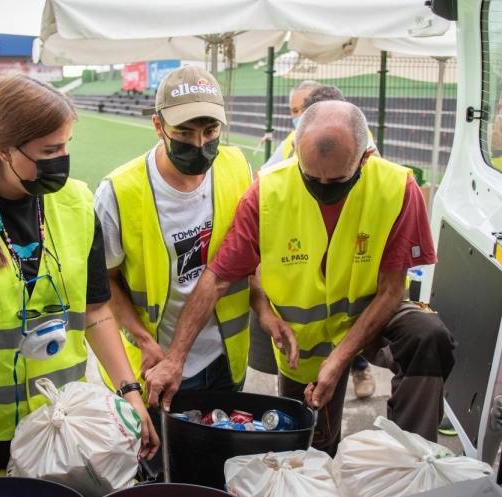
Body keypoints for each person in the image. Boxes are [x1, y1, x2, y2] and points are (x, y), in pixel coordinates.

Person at [146, 100, 455, 455]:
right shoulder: (267, 193)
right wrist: (175, 358)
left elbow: (391, 291)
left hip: (372, 318)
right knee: (310, 446)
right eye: (311, 177)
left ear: (364, 157)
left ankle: (410, 458)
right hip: (304, 347)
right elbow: (217, 278)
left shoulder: (396, 188)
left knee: (426, 335)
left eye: (337, 180)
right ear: (295, 150)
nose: (323, 188)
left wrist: (340, 359)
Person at [0, 74, 159, 483]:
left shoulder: (77, 203)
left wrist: (129, 392)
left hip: (62, 426)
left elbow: (96, 311)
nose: (62, 159)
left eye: (66, 145)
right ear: (4, 149)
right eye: (50, 150)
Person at [93, 65, 253, 400]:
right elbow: (103, 280)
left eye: (210, 131)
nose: (200, 144)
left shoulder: (237, 167)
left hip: (226, 359)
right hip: (155, 366)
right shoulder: (119, 192)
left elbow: (247, 256)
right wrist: (143, 339)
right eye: (184, 133)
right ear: (158, 126)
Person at [254, 83, 380, 400]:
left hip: (350, 253)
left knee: (349, 318)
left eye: (301, 110)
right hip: (304, 251)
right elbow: (264, 179)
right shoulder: (292, 142)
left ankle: (359, 366)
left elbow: (376, 187)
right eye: (294, 111)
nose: (297, 116)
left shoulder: (361, 142)